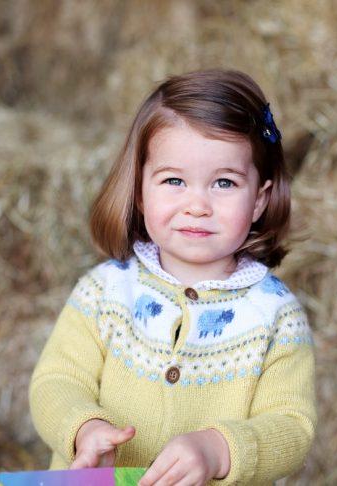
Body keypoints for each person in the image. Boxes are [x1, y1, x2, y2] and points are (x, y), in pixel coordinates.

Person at [29, 68, 317, 485]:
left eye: (223, 182)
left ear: (259, 200)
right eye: (174, 180)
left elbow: (292, 425)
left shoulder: (275, 316)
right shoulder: (105, 292)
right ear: (141, 192)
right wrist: (82, 428)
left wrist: (220, 449)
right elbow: (56, 380)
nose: (197, 205)